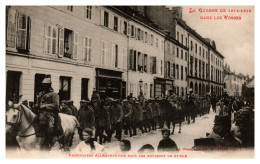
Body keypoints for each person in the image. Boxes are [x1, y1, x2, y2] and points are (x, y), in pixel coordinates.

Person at [36, 75, 62, 150]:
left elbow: (56, 105)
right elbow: (39, 103)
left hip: (50, 113)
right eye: (43, 85)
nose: (43, 86)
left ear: (49, 85)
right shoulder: (41, 94)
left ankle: (48, 142)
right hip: (40, 112)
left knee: (50, 126)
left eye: (45, 85)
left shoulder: (54, 94)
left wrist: (45, 106)